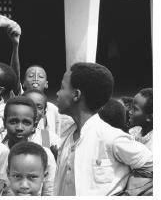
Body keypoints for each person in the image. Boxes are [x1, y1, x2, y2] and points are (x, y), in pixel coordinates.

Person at [55, 62, 153, 196]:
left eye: (62, 87)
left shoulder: (110, 137)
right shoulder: (67, 136)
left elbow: (151, 165)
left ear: (76, 95)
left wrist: (129, 194)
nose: (57, 93)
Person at [0, 96, 56, 195]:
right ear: (4, 122)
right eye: (13, 121)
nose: (19, 127)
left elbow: (50, 191)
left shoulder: (44, 154)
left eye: (26, 122)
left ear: (34, 125)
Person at [22, 89, 59, 156]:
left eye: (39, 107)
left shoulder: (49, 139)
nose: (34, 110)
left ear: (43, 113)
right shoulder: (7, 135)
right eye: (29, 105)